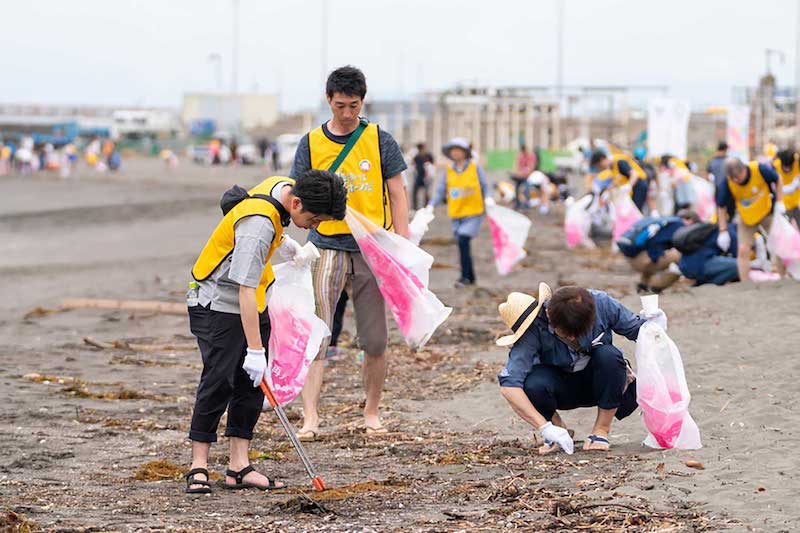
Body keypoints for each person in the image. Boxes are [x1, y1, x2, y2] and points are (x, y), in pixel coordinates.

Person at [184, 170, 347, 494]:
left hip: (253, 298)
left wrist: (285, 243)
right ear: (297, 202)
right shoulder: (258, 227)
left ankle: (238, 467)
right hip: (217, 301)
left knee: (251, 385)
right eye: (313, 220)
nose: (313, 227)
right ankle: (198, 465)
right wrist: (255, 351)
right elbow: (242, 289)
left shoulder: (282, 186)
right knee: (219, 380)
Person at [290, 65, 409, 440]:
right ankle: (310, 416)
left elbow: (397, 192)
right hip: (326, 247)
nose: (347, 113)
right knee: (318, 334)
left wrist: (402, 243)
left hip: (372, 250)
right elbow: (298, 192)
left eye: (354, 106)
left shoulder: (379, 140)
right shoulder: (311, 143)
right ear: (328, 100)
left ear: (363, 101)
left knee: (374, 339)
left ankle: (371, 412)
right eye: (340, 105)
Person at [497, 284, 657, 454]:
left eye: (579, 332)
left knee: (609, 355)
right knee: (533, 383)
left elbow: (640, 331)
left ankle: (601, 430)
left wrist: (655, 327)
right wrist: (545, 427)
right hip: (560, 387)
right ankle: (558, 430)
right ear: (549, 316)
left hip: (600, 382)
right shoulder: (533, 329)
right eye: (566, 333)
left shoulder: (601, 303)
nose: (573, 337)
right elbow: (509, 386)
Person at [429, 137, 489, 287]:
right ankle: (470, 276)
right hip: (456, 214)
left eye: (458, 150)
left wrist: (488, 198)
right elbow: (441, 190)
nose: (455, 153)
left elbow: (485, 186)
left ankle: (464, 277)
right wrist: (431, 205)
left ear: (465, 152)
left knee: (463, 239)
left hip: (474, 213)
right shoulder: (448, 171)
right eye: (453, 150)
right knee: (462, 244)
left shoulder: (475, 168)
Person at [716, 158, 786, 281]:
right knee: (743, 249)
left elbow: (778, 179)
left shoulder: (759, 169)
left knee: (778, 243)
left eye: (737, 177)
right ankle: (745, 281)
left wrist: (780, 201)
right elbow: (721, 206)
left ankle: (782, 276)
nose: (736, 181)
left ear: (744, 169)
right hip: (746, 217)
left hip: (766, 212)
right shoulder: (728, 182)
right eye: (733, 179)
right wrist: (723, 230)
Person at [616, 211, 700, 293]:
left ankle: (643, 285)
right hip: (641, 260)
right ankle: (657, 286)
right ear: (690, 221)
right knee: (681, 259)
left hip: (630, 255)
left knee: (658, 255)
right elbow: (655, 245)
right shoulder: (679, 225)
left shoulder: (665, 221)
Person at [673, 220, 739, 286]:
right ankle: (710, 284)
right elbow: (740, 258)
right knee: (738, 265)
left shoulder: (713, 228)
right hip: (700, 266)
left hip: (684, 266)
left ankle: (701, 283)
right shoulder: (730, 232)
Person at [774, 149, 800, 229]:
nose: (787, 169)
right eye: (785, 167)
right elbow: (775, 188)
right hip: (784, 205)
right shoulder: (775, 166)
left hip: (797, 202)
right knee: (786, 230)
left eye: (789, 167)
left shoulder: (797, 161)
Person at [511, 145, 537, 209]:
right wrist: (516, 172)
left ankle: (526, 205)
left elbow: (531, 168)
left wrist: (523, 172)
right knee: (516, 188)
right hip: (520, 177)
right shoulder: (520, 156)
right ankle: (517, 204)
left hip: (528, 177)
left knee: (526, 189)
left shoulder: (531, 156)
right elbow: (516, 166)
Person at [411, 143, 434, 211]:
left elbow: (433, 164)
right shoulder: (417, 156)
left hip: (426, 177)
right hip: (419, 177)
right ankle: (415, 207)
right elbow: (413, 164)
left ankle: (426, 206)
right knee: (415, 192)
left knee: (426, 193)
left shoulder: (428, 155)